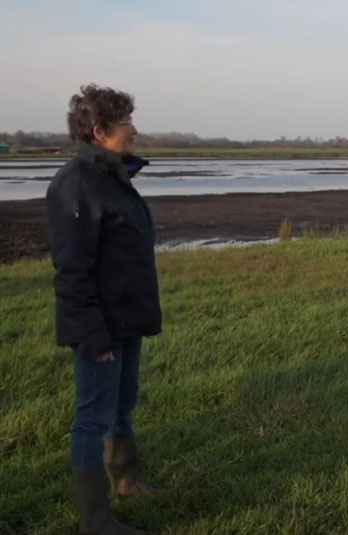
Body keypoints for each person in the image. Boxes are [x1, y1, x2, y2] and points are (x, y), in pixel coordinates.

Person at [46, 84, 166, 534]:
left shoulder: (112, 177)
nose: (134, 130)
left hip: (126, 318)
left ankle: (128, 482)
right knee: (93, 416)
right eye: (126, 124)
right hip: (100, 326)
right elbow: (72, 272)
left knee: (122, 404)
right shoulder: (75, 185)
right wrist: (94, 337)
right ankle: (94, 520)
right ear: (99, 131)